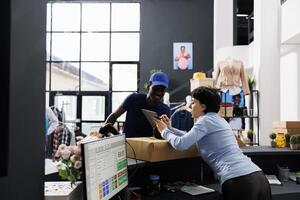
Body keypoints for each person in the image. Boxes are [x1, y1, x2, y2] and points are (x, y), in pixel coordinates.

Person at [153, 86, 271, 200]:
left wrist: (164, 131)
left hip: (240, 181)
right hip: (258, 177)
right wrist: (171, 129)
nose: (189, 105)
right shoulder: (216, 119)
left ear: (203, 106)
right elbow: (189, 136)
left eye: (193, 102)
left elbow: (181, 144)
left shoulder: (204, 121)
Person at [105, 72, 171, 138]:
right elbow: (114, 115)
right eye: (155, 88)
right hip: (127, 144)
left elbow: (163, 135)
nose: (158, 92)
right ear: (148, 87)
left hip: (149, 146)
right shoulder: (133, 99)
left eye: (162, 90)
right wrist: (102, 133)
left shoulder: (165, 110)